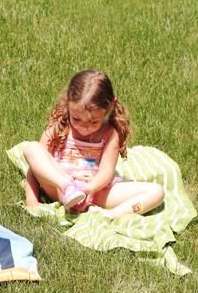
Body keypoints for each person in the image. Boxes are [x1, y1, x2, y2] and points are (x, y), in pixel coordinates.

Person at [23, 70, 164, 219]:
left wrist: (90, 189)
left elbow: (106, 170)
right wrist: (32, 200)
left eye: (93, 122)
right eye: (77, 119)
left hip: (96, 191)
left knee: (157, 192)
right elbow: (36, 166)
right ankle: (68, 187)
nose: (83, 127)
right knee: (32, 148)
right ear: (68, 105)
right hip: (60, 188)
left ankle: (108, 216)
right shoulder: (59, 127)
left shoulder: (110, 132)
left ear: (106, 111)